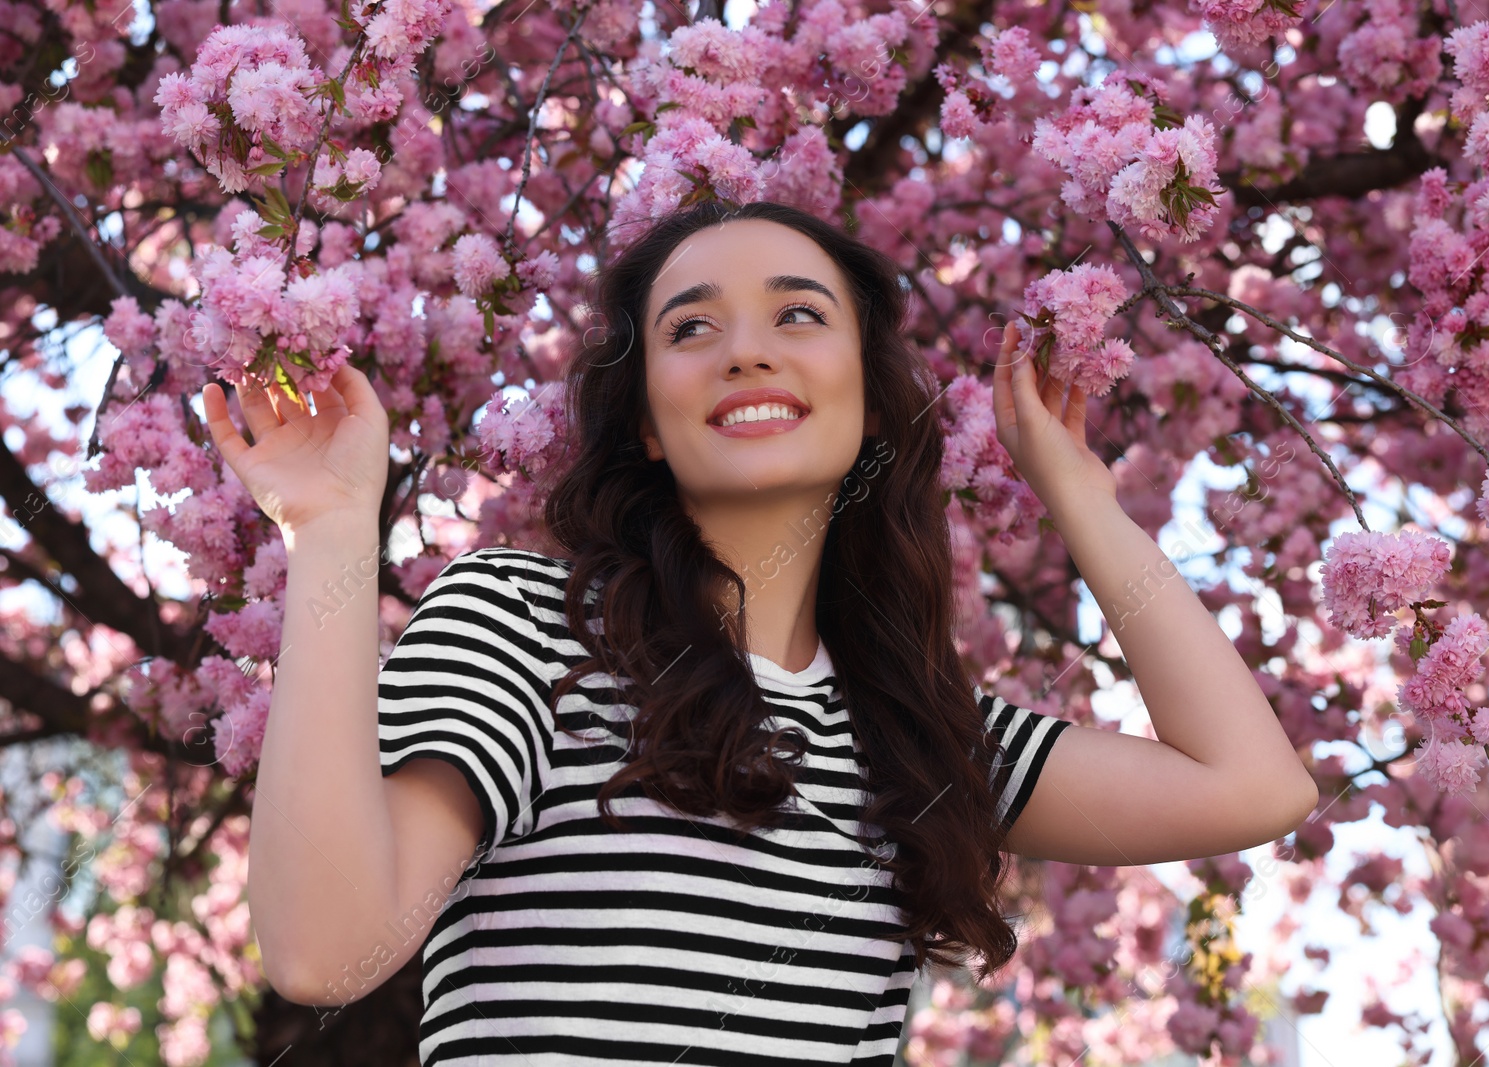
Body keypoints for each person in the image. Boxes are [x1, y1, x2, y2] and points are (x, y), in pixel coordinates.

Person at [202, 199, 1319, 1065]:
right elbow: (323, 948)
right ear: (644, 417)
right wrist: (330, 531)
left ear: (871, 402)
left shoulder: (919, 737)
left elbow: (1251, 787)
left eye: (798, 313)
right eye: (691, 327)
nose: (746, 351)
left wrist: (1077, 493)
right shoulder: (526, 623)